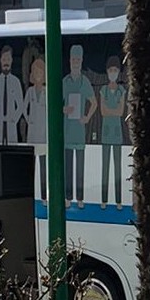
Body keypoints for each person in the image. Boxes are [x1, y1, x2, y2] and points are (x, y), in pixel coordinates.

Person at [62, 45, 97, 205]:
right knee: (68, 166)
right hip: (67, 131)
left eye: (78, 59)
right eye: (73, 59)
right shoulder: (65, 82)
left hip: (79, 131)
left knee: (80, 167)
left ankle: (80, 198)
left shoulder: (85, 82)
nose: (75, 62)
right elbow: (55, 104)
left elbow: (94, 103)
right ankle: (68, 197)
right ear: (70, 61)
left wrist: (87, 117)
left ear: (81, 61)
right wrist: (64, 109)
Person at [98, 57, 128, 208]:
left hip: (117, 134)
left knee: (117, 169)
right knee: (105, 168)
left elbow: (121, 111)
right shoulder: (103, 90)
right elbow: (103, 111)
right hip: (105, 133)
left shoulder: (122, 91)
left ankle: (118, 201)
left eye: (115, 70)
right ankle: (103, 200)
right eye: (110, 70)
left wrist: (112, 111)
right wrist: (113, 111)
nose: (113, 73)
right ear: (107, 72)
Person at [0, 44, 23, 145]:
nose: (6, 61)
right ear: (0, 60)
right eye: (4, 59)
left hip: (11, 123)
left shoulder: (16, 81)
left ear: (11, 61)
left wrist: (13, 119)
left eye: (8, 59)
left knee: (12, 150)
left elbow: (20, 105)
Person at [22, 56, 47, 201]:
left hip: (43, 132)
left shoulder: (46, 91)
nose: (38, 75)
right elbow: (24, 108)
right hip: (32, 131)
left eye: (41, 72)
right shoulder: (30, 91)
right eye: (35, 72)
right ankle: (30, 195)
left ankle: (44, 195)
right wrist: (28, 119)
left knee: (43, 166)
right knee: (31, 166)